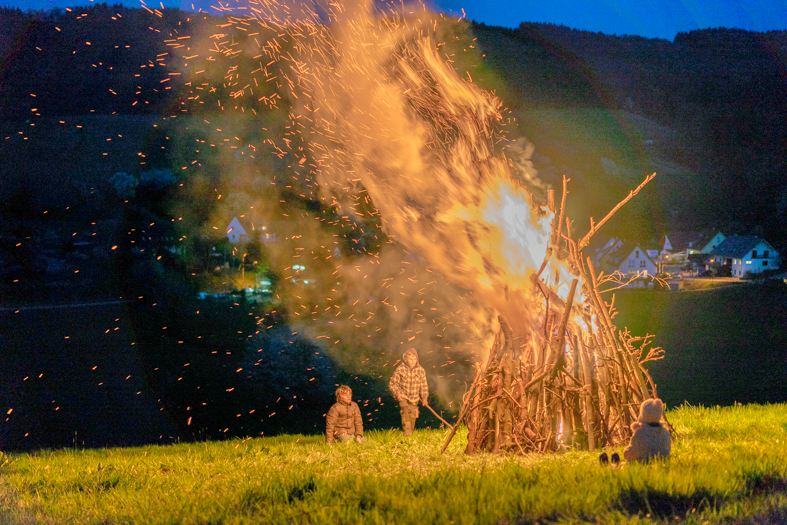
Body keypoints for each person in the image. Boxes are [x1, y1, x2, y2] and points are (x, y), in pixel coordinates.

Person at [388, 347, 429, 436]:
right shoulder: (400, 369)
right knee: (405, 410)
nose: (412, 361)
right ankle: (407, 434)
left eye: (414, 359)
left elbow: (424, 386)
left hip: (414, 398)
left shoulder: (421, 370)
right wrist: (397, 393)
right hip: (403, 396)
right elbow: (392, 384)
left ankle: (410, 434)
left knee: (412, 417)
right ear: (406, 359)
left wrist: (424, 398)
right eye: (410, 359)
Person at [622, 397, 671, 463]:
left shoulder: (640, 434)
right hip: (662, 462)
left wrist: (625, 451)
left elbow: (632, 453)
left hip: (644, 462)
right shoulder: (665, 433)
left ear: (643, 416)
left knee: (621, 464)